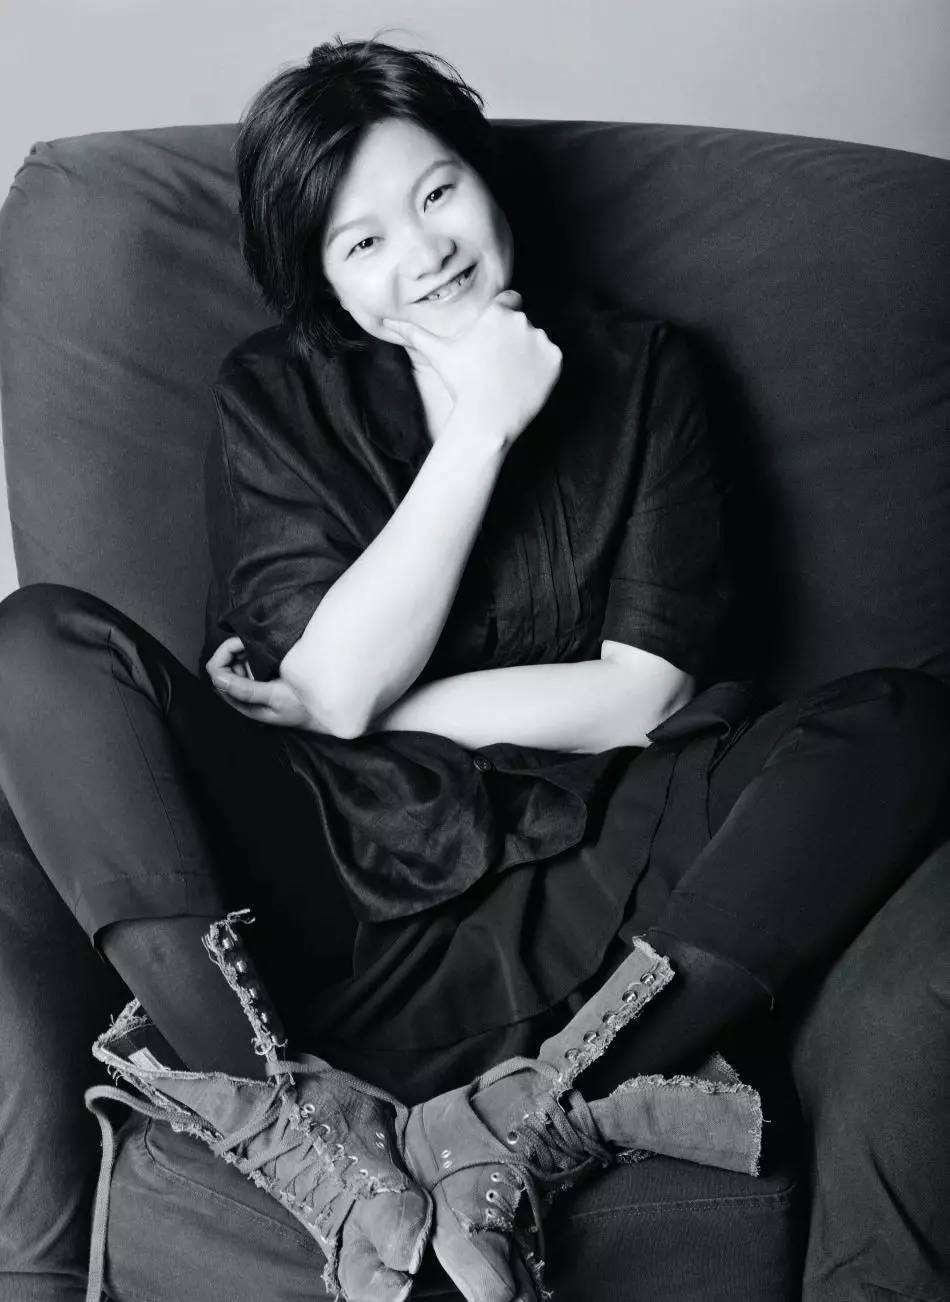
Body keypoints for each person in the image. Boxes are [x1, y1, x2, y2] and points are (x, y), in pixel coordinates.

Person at [0, 34, 949, 1302]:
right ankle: (297, 1124)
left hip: (604, 876)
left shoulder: (643, 369)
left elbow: (643, 692)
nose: (424, 252)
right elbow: (335, 689)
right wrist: (481, 429)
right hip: (327, 881)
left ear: (483, 180)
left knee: (902, 717)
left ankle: (534, 1113)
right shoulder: (275, 393)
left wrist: (359, 704)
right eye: (362, 242)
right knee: (34, 644)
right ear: (325, 281)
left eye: (436, 192)